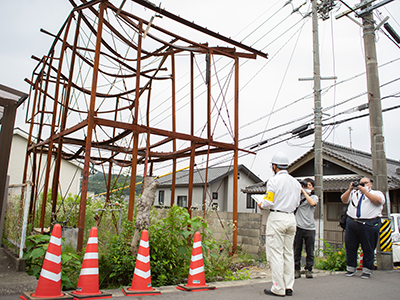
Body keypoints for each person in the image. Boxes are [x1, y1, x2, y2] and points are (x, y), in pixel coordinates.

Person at [258, 152, 301, 297]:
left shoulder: (273, 181)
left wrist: (261, 203)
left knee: (276, 254)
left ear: (274, 166)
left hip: (277, 217)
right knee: (288, 253)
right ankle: (289, 286)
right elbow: (297, 203)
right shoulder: (295, 182)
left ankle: (278, 287)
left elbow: (268, 202)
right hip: (291, 218)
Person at [340, 177, 385, 279]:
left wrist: (365, 192)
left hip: (369, 223)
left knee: (368, 247)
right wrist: (350, 189)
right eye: (360, 183)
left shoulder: (377, 193)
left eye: (365, 183)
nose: (362, 185)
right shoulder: (354, 193)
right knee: (350, 246)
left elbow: (378, 201)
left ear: (370, 184)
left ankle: (367, 270)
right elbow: (344, 200)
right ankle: (350, 268)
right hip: (352, 222)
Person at [294, 178, 318, 279]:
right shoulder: (297, 197)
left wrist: (304, 191)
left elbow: (312, 203)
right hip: (298, 226)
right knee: (297, 250)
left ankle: (309, 269)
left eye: (308, 185)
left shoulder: (314, 197)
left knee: (310, 250)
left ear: (312, 187)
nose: (306, 187)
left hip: (310, 227)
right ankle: (296, 269)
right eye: (305, 185)